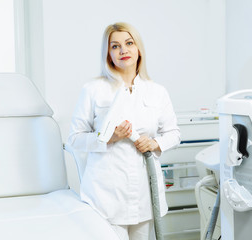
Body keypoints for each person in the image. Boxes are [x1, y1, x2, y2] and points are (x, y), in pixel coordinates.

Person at [67, 22, 181, 240]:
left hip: (144, 193)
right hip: (106, 193)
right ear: (108, 54)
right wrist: (108, 138)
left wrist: (155, 144)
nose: (123, 50)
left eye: (129, 43)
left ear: (138, 49)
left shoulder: (157, 91)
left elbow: (173, 133)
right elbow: (75, 138)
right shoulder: (93, 89)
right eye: (115, 46)